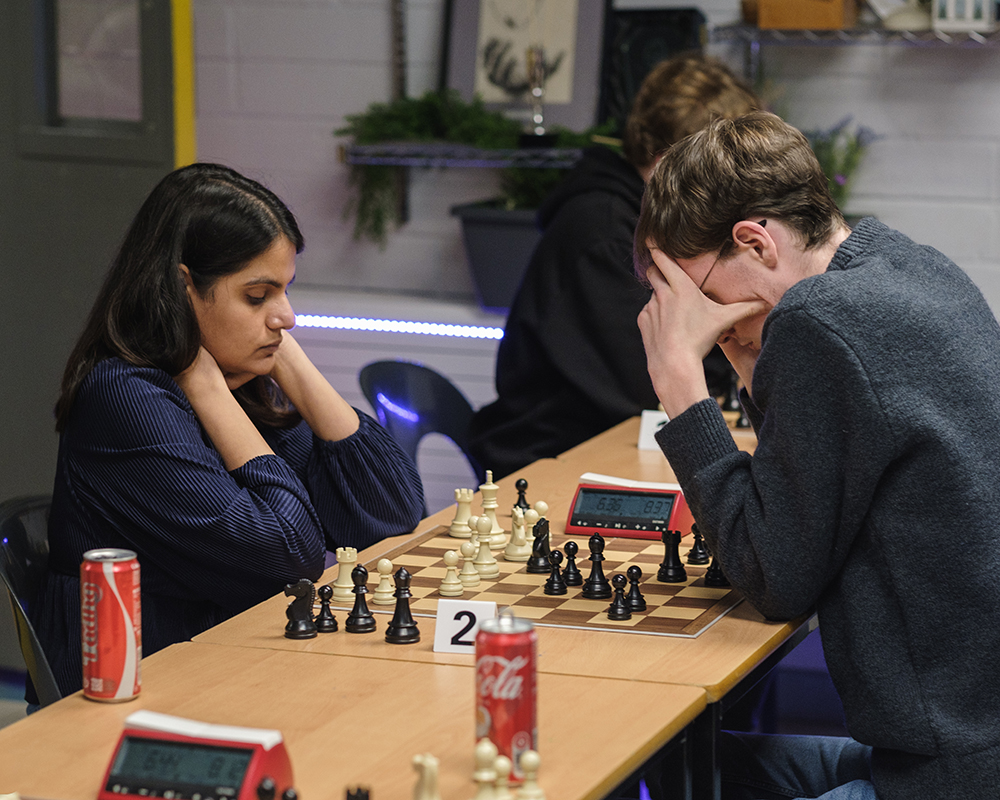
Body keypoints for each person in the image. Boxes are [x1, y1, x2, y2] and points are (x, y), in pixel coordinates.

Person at [634, 111, 1000, 798]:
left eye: (704, 299)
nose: (706, 325)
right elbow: (809, 482)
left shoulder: (817, 320)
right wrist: (746, 348)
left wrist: (681, 386)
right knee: (673, 771)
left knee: (663, 777)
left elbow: (773, 577)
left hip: (951, 776)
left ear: (754, 241)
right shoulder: (908, 265)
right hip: (968, 743)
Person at [31, 163, 425, 703]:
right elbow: (287, 556)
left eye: (285, 291)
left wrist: (290, 363)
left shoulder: (236, 375)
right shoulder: (123, 395)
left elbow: (390, 514)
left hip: (223, 670)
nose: (285, 316)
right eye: (258, 296)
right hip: (130, 706)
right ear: (182, 286)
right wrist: (212, 394)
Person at [468, 54, 760, 478]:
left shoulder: (637, 212)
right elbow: (649, 382)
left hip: (611, 436)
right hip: (551, 454)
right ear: (670, 158)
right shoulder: (604, 229)